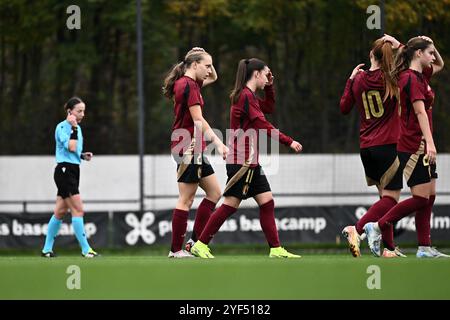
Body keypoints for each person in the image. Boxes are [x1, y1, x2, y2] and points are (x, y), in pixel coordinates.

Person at [190, 58, 303, 258]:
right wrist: (288, 141)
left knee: (267, 202)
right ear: (257, 74)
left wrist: (270, 88)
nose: (268, 76)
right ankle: (200, 244)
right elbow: (262, 123)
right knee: (230, 205)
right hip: (241, 161)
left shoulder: (248, 96)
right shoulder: (245, 96)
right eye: (266, 73)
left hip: (251, 161)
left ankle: (275, 249)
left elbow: (268, 108)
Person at [364, 36, 449, 258]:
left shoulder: (421, 75)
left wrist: (428, 44)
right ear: (418, 54)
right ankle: (378, 226)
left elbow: (440, 64)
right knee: (420, 198)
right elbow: (420, 112)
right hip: (414, 145)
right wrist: (429, 143)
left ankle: (424, 247)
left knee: (429, 196)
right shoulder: (409, 79)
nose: (433, 56)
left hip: (423, 144)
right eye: (429, 52)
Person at [339, 34, 405, 258]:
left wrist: (349, 80)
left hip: (366, 148)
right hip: (388, 146)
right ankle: (356, 229)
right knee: (392, 200)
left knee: (384, 201)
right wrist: (399, 45)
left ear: (370, 55)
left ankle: (389, 249)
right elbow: (418, 67)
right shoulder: (391, 78)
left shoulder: (358, 79)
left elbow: (344, 107)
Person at [163, 47, 228, 258]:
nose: (209, 70)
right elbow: (198, 121)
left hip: (194, 146)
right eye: (206, 65)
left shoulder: (191, 83)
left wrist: (203, 54)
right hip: (187, 147)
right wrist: (218, 143)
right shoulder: (188, 85)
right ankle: (175, 250)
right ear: (194, 65)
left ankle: (193, 243)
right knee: (186, 199)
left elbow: (215, 77)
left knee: (214, 193)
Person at [41, 97, 99, 258]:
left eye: (83, 111)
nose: (82, 114)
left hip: (72, 170)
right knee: (78, 210)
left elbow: (73, 150)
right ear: (69, 112)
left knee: (60, 212)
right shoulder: (63, 127)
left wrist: (81, 155)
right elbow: (71, 145)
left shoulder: (77, 129)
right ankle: (86, 250)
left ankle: (46, 250)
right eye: (79, 111)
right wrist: (73, 128)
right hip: (64, 171)